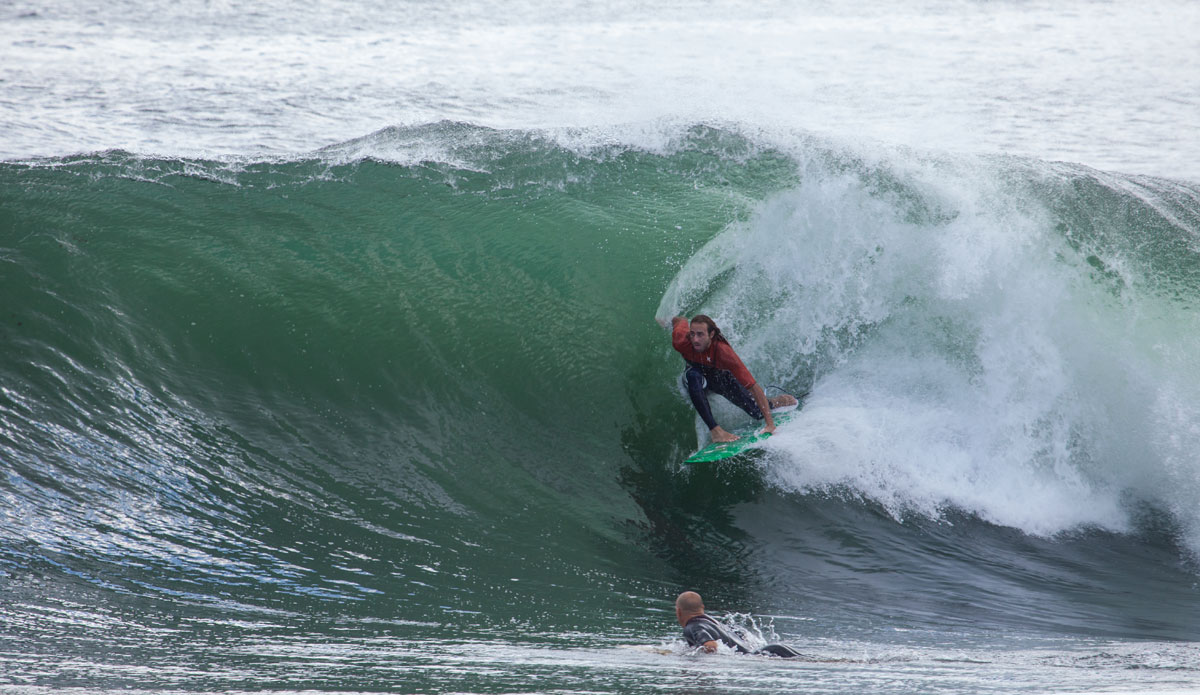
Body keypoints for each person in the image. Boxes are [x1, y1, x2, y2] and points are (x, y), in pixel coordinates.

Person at [659, 315, 797, 443]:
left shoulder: (723, 353)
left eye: (700, 334)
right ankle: (716, 431)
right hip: (694, 375)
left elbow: (753, 387)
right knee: (693, 376)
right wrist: (670, 321)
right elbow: (679, 321)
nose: (695, 339)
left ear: (711, 335)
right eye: (693, 334)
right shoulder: (681, 340)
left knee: (756, 412)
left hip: (718, 377)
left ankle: (775, 401)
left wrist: (770, 424)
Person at [675, 591, 801, 658]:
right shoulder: (714, 622)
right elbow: (742, 636)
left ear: (679, 611)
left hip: (763, 655)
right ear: (702, 607)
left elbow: (711, 646)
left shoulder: (692, 626)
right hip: (771, 649)